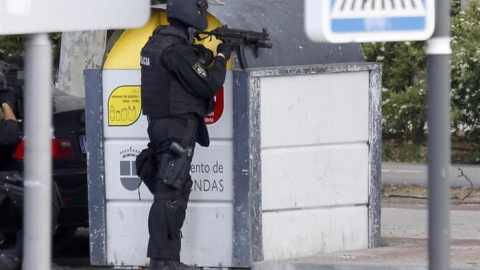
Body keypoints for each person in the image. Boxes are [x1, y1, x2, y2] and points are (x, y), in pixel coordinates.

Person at [137, 0, 231, 269]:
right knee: (169, 192)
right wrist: (222, 56)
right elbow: (208, 82)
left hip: (160, 125)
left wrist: (201, 56)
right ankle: (163, 261)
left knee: (172, 189)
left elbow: (179, 74)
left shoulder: (157, 43)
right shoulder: (177, 51)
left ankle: (167, 258)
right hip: (177, 126)